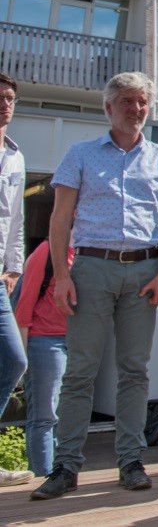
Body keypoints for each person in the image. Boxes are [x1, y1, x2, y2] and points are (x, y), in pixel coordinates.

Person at [32, 72, 158, 502]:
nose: (135, 109)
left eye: (142, 102)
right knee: (80, 370)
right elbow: (60, 218)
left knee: (135, 370)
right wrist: (62, 277)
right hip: (91, 270)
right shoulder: (79, 153)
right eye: (126, 101)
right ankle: (65, 467)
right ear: (108, 107)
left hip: (144, 271)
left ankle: (131, 460)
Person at [14, 239, 71, 481]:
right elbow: (24, 304)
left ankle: (58, 475)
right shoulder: (47, 250)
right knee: (45, 416)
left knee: (64, 416)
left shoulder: (89, 254)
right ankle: (43, 477)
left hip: (76, 341)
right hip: (45, 341)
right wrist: (22, 357)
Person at [0, 73, 25, 454]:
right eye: (0, 97)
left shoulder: (15, 154)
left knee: (13, 361)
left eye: (9, 97)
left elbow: (15, 217)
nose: (6, 103)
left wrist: (14, 266)